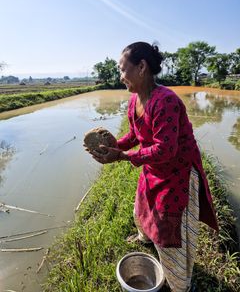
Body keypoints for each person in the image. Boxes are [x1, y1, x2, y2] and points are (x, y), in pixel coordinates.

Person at [89, 42, 218, 292]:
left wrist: (123, 157)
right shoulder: (135, 100)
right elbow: (135, 135)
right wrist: (112, 146)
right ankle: (143, 236)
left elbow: (165, 149)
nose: (120, 76)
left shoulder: (165, 101)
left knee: (168, 229)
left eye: (122, 69)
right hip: (155, 168)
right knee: (142, 206)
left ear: (141, 67)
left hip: (177, 172)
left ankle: (180, 284)